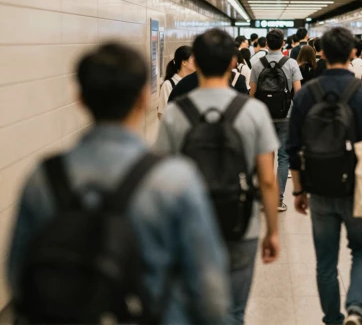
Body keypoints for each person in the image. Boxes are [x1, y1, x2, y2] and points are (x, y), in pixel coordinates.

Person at [7, 43, 230, 324]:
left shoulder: (44, 177)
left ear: (79, 98)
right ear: (143, 98)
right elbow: (209, 289)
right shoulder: (175, 179)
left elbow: (18, 273)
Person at [156, 29, 281, 325]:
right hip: (241, 222)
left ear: (196, 62)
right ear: (232, 62)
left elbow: (161, 177)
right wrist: (272, 231)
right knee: (234, 312)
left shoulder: (175, 112)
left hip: (190, 224)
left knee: (194, 310)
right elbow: (267, 179)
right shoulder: (254, 111)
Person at [287, 27, 362, 325]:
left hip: (320, 189)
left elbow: (293, 148)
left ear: (321, 53)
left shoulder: (306, 94)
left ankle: (332, 319)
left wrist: (299, 191)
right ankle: (356, 309)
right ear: (353, 52)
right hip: (359, 186)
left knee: (325, 262)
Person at [250, 29, 303, 212]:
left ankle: (266, 198)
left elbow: (252, 93)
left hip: (264, 116)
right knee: (284, 157)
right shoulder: (291, 63)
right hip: (286, 115)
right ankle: (278, 200)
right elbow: (298, 92)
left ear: (266, 44)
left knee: (266, 156)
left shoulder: (257, 64)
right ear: (283, 43)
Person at [159, 45, 194, 119]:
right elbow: (162, 113)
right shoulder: (168, 85)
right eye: (193, 59)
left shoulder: (195, 82)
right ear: (184, 62)